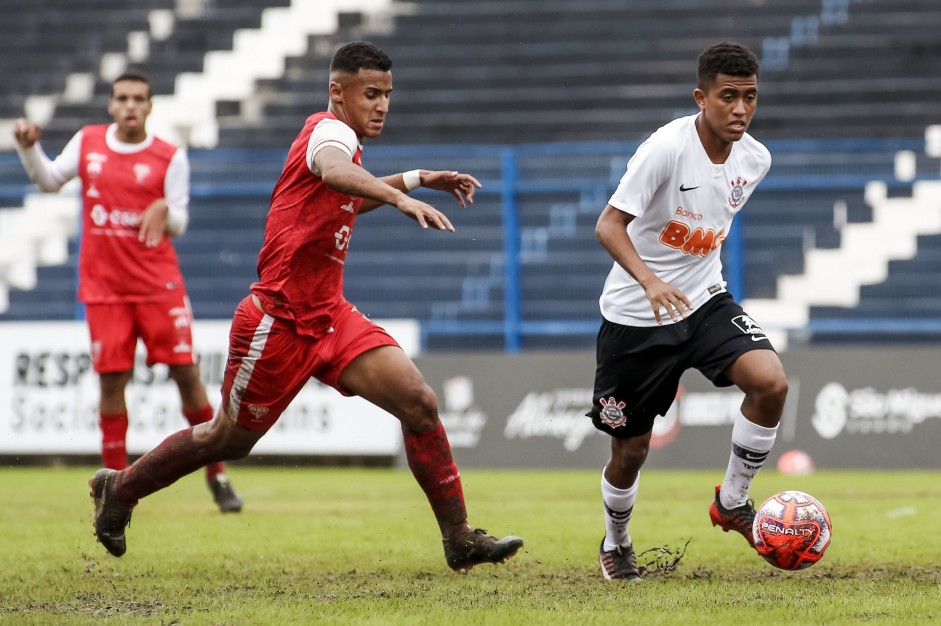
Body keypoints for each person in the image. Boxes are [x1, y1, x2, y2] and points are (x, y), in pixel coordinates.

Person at [88, 42, 524, 571]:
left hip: (329, 315)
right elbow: (335, 169)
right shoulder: (328, 130)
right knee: (228, 438)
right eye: (371, 93)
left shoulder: (345, 142)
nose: (382, 104)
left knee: (418, 402)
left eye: (387, 94)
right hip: (277, 320)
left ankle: (459, 537)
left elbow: (344, 192)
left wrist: (415, 178)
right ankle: (122, 490)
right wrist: (400, 199)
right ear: (337, 92)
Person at [587, 42, 787, 580]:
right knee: (631, 452)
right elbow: (608, 225)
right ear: (701, 98)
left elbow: (706, 227)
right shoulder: (665, 150)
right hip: (636, 316)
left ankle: (733, 501)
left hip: (703, 303)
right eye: (728, 97)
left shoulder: (756, 159)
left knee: (770, 383)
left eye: (749, 97)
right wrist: (651, 281)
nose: (740, 109)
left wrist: (689, 282)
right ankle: (616, 541)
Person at [13, 72, 242, 513]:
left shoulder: (168, 156)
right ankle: (111, 492)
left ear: (150, 106)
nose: (131, 105)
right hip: (105, 289)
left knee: (186, 375)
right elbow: (48, 180)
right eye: (122, 98)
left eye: (139, 98)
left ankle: (217, 473)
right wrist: (28, 149)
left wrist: (164, 210)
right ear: (112, 105)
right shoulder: (88, 142)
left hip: (158, 286)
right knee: (111, 383)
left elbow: (180, 221)